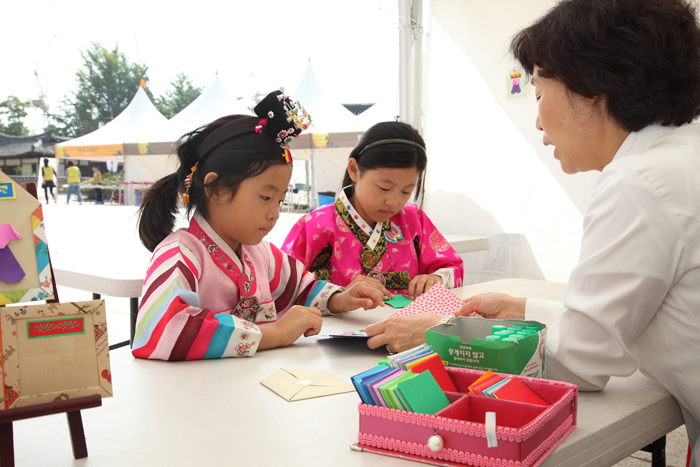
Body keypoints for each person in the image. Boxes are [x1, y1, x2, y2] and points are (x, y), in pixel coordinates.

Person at [370, 0, 700, 462]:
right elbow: (614, 324)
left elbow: (582, 360)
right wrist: (521, 309)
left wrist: (446, 337)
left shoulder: (637, 184)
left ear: (593, 88)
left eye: (539, 91)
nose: (538, 119)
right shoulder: (680, 158)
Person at [133, 91, 385, 361]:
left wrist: (340, 299)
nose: (274, 214)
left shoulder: (259, 253)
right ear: (215, 189)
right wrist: (274, 333)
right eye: (265, 197)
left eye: (279, 200)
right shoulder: (180, 253)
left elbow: (299, 287)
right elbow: (159, 330)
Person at [282, 121, 463, 300]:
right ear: (354, 170)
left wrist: (435, 278)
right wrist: (335, 295)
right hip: (339, 329)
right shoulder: (314, 226)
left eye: (406, 191)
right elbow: (281, 287)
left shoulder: (413, 219)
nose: (393, 202)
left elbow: (454, 267)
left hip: (408, 326)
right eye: (384, 188)